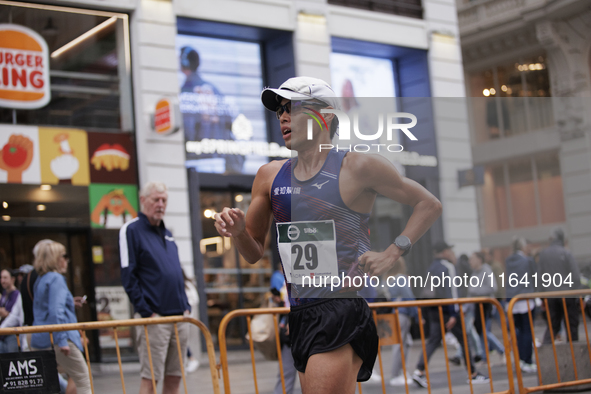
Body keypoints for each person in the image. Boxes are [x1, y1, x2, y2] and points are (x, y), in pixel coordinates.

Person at [214, 76, 441, 394]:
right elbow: (252, 253)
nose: (283, 116)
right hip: (300, 313)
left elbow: (428, 204)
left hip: (342, 307)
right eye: (280, 109)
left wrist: (392, 252)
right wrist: (238, 233)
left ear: (326, 116)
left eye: (292, 107)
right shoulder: (269, 176)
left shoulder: (357, 167)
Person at [120, 181, 190, 394]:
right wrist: (146, 312)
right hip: (155, 319)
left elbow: (177, 272)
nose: (160, 204)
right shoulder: (131, 230)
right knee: (150, 380)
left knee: (175, 378)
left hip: (180, 317)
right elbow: (128, 276)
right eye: (156, 200)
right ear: (143, 200)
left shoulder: (167, 232)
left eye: (164, 200)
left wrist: (186, 306)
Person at [412, 242, 489, 388]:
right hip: (448, 311)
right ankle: (472, 373)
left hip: (435, 311)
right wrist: (454, 312)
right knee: (464, 340)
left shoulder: (432, 267)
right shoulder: (448, 267)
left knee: (433, 341)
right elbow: (452, 291)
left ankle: (419, 370)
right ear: (445, 251)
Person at [31, 240, 92, 394]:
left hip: (41, 338)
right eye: (64, 256)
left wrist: (69, 302)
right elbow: (55, 311)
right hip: (59, 338)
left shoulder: (41, 279)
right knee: (83, 378)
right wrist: (62, 340)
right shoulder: (56, 278)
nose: (66, 260)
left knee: (49, 383)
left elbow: (47, 307)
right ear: (55, 258)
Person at [538, 228, 581, 345]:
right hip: (567, 294)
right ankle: (574, 354)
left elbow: (539, 277)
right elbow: (575, 276)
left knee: (552, 326)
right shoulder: (566, 253)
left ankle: (546, 355)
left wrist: (542, 297)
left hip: (551, 295)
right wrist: (577, 294)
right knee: (571, 326)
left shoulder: (543, 254)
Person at [505, 237, 537, 373]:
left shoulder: (508, 261)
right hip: (525, 298)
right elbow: (535, 277)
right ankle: (527, 360)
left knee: (517, 332)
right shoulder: (527, 261)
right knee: (527, 331)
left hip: (512, 300)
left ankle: (519, 359)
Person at [467, 252, 505, 364]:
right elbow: (470, 289)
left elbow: (493, 287)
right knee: (480, 331)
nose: (470, 262)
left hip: (486, 304)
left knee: (484, 331)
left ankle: (500, 350)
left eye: (472, 259)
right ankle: (485, 356)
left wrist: (476, 291)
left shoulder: (486, 270)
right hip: (477, 305)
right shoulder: (475, 272)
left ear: (479, 259)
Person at [386, 258, 417, 386]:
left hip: (395, 312)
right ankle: (397, 373)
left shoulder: (388, 279)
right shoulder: (401, 278)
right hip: (403, 314)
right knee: (401, 345)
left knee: (401, 343)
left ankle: (399, 373)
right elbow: (409, 297)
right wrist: (416, 313)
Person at [0, 268, 24, 353]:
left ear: (12, 279)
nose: (2, 281)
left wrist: (6, 313)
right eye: (1, 278)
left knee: (13, 361)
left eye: (5, 278)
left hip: (13, 334)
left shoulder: (17, 294)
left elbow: (15, 315)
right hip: (2, 335)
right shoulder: (3, 294)